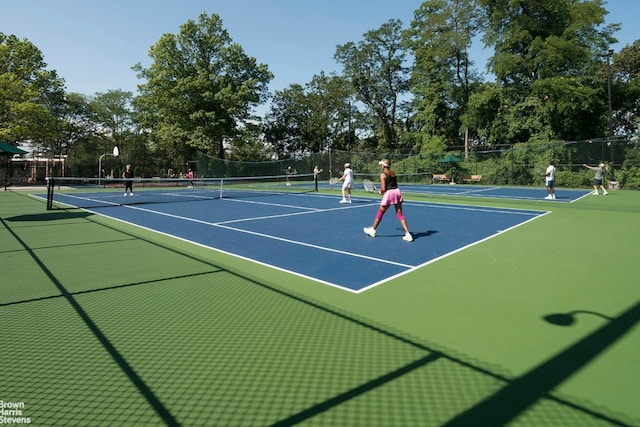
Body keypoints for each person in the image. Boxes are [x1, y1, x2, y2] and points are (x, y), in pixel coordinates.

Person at [363, 159, 413, 242]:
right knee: (399, 213)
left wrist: (380, 191)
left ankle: (372, 230)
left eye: (381, 165)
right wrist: (383, 191)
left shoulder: (382, 175)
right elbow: (391, 186)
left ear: (383, 166)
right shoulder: (393, 173)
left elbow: (383, 189)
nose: (380, 166)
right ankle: (408, 234)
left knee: (380, 212)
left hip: (390, 193)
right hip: (397, 192)